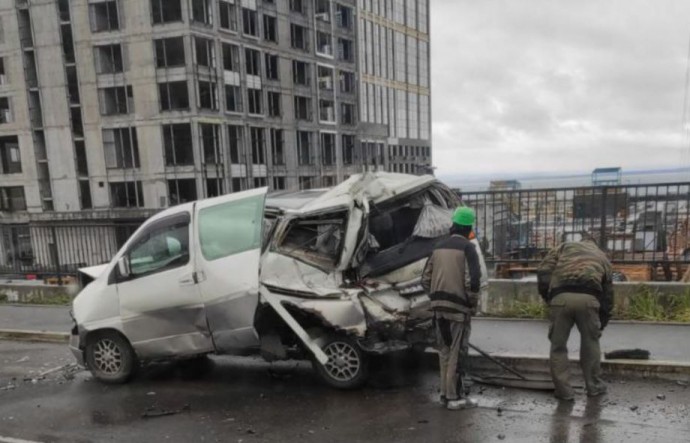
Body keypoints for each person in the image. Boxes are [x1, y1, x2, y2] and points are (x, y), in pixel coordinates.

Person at [537, 237, 613, 401]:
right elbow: (608, 294)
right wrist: (602, 322)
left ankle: (564, 392)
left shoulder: (563, 247)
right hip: (589, 299)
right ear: (594, 244)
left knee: (558, 346)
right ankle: (594, 387)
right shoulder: (601, 256)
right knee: (590, 343)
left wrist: (549, 298)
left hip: (561, 298)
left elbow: (543, 271)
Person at [422, 206, 481, 410]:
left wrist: (435, 297)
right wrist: (472, 305)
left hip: (438, 309)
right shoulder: (468, 248)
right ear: (469, 228)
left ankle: (445, 395)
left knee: (445, 352)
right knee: (456, 352)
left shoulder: (438, 247)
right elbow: (473, 282)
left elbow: (425, 278)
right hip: (458, 310)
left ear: (453, 225)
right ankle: (454, 398)